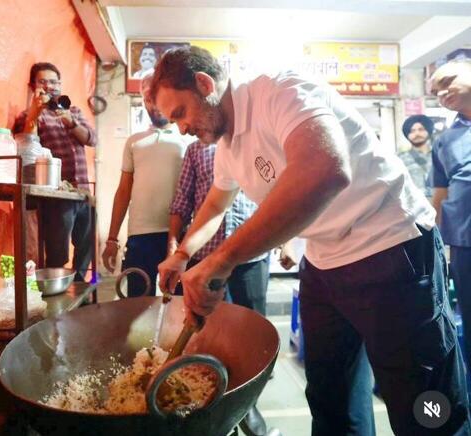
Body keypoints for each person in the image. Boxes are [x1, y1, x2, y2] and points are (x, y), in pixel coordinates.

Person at [153, 46, 470, 435]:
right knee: (330, 397)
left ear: (204, 84)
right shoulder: (227, 145)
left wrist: (222, 260)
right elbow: (217, 202)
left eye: (180, 113)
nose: (181, 128)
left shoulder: (278, 91)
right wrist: (183, 253)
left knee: (422, 402)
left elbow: (325, 169)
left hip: (390, 246)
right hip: (324, 262)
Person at [167, 139, 271, 436]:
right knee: (209, 330)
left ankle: (247, 404)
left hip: (252, 254)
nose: (182, 127)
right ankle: (211, 400)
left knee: (253, 331)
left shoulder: (253, 143)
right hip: (208, 255)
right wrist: (175, 248)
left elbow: (274, 197)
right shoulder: (197, 149)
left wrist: (286, 242)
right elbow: (183, 202)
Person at [101, 74, 187, 297]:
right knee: (137, 303)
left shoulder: (188, 139)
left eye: (156, 98)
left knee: (180, 304)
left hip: (180, 234)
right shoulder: (134, 141)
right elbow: (123, 191)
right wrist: (112, 239)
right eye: (147, 99)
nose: (153, 105)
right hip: (140, 236)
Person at [13, 62, 97, 281]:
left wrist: (71, 122)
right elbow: (26, 144)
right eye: (43, 81)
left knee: (86, 246)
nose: (49, 86)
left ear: (60, 84)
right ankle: (54, 291)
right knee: (57, 251)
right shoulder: (29, 115)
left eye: (54, 81)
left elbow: (92, 139)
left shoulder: (74, 111)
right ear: (33, 86)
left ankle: (79, 286)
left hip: (83, 191)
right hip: (57, 193)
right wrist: (34, 112)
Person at [430, 60, 471, 371]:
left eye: (446, 82)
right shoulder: (445, 139)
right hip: (464, 243)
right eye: (435, 92)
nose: (441, 93)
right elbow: (440, 194)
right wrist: (433, 243)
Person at [399, 114, 434, 198]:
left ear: (428, 131)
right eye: (412, 131)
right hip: (413, 206)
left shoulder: (441, 156)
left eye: (421, 129)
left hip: (439, 204)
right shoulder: (399, 159)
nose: (417, 133)